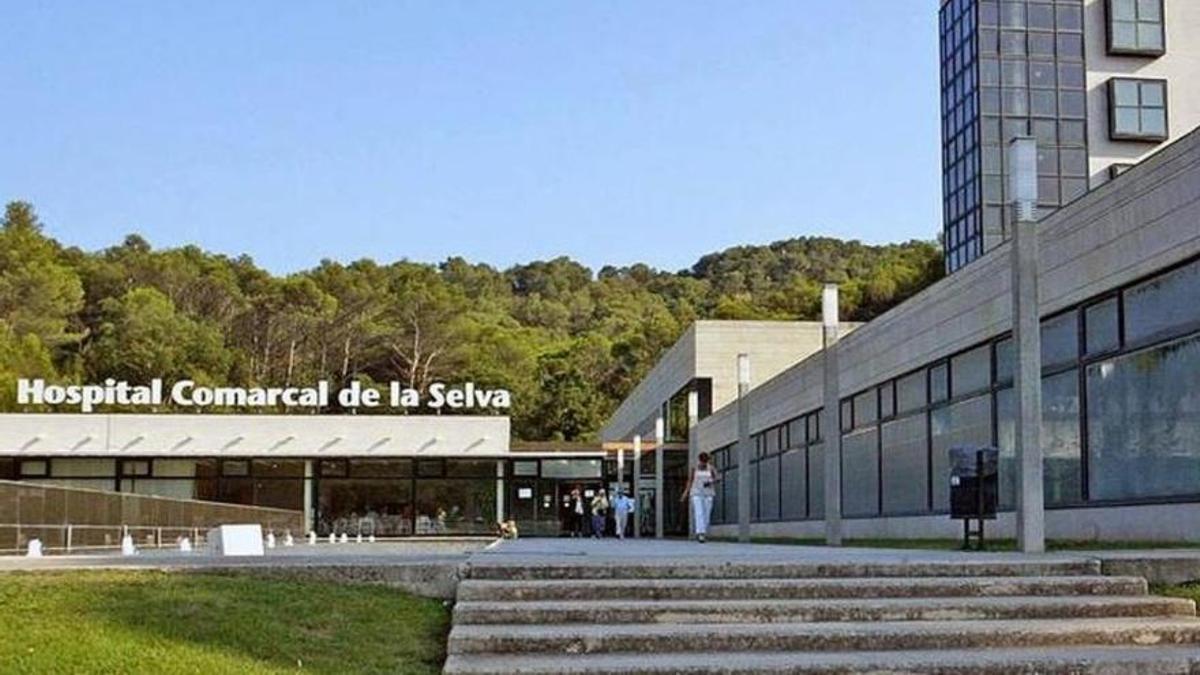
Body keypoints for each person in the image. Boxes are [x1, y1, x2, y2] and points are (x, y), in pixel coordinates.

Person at [681, 452, 719, 543]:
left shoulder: (711, 468)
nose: (703, 463)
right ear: (699, 460)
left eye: (705, 462)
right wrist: (685, 493)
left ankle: (703, 532)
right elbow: (690, 481)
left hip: (708, 493)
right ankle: (700, 533)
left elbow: (718, 478)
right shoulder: (694, 468)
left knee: (706, 514)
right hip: (696, 493)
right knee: (699, 512)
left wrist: (710, 482)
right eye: (702, 461)